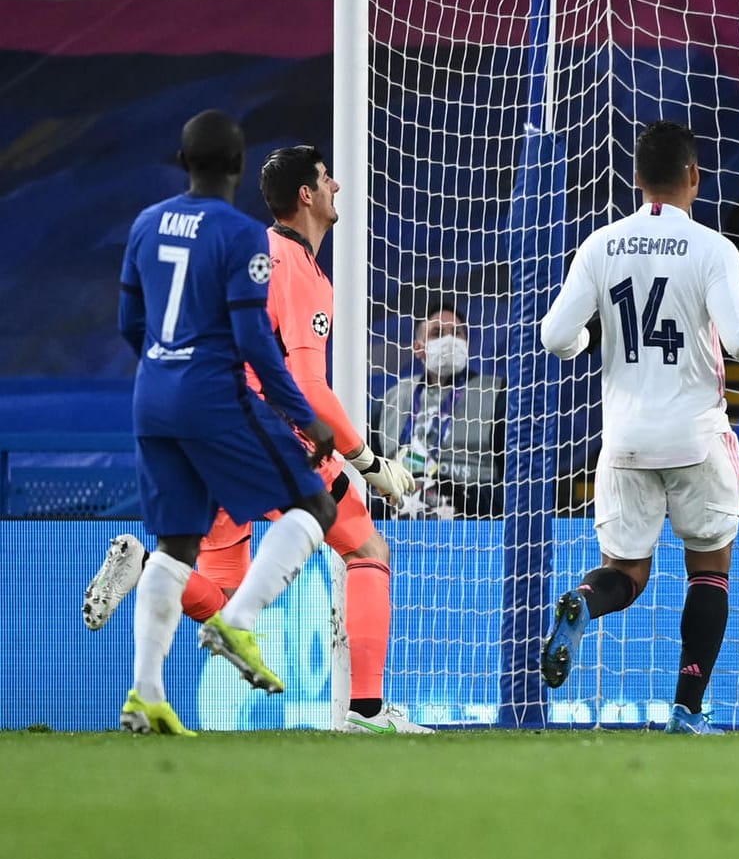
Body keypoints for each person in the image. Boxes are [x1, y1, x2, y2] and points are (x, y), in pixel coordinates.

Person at [90, 144, 430, 734]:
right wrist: (367, 461)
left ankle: (147, 567)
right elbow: (307, 387)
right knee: (367, 550)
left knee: (221, 597)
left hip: (197, 421)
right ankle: (367, 712)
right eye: (327, 179)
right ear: (307, 195)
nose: (337, 188)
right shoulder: (297, 268)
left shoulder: (242, 250)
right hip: (263, 431)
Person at [537, 120, 739, 734]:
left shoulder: (600, 245)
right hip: (695, 436)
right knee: (709, 570)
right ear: (694, 176)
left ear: (636, 179)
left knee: (625, 573)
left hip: (625, 441)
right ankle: (688, 710)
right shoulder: (714, 248)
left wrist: (591, 340)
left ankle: (583, 603)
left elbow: (556, 337)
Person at [115, 111, 339, 735]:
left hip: (151, 399)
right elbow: (254, 344)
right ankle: (237, 624)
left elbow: (129, 327)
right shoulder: (243, 237)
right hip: (212, 396)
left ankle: (146, 693)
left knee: (178, 544)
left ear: (182, 162)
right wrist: (305, 419)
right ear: (239, 167)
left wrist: (167, 369)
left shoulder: (144, 225)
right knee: (314, 507)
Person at [372, 301, 506, 519]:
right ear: (418, 348)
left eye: (457, 333)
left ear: (466, 344)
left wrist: (461, 495)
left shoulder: (497, 393)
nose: (449, 341)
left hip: (474, 526)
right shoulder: (390, 399)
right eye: (437, 333)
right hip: (398, 524)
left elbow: (517, 484)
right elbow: (370, 474)